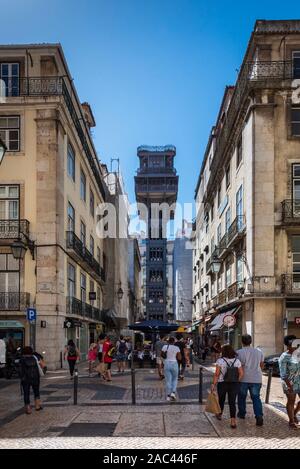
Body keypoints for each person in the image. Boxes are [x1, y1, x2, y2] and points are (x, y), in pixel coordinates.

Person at [211, 344, 243, 429]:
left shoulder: (220, 361)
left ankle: (220, 414)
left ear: (223, 352)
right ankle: (233, 421)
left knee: (221, 400)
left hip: (222, 383)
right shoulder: (237, 361)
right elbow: (241, 374)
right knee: (232, 402)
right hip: (234, 384)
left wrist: (213, 384)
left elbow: (217, 374)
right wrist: (237, 381)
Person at [237, 334, 264, 426]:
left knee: (241, 397)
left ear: (242, 342)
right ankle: (259, 416)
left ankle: (242, 414)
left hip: (243, 378)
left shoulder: (239, 352)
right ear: (251, 341)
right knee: (256, 398)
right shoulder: (259, 352)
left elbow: (238, 366)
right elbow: (261, 365)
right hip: (256, 378)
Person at [279, 335, 300, 429]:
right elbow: (283, 374)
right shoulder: (284, 357)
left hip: (299, 380)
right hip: (288, 381)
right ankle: (291, 421)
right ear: (288, 345)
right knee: (291, 400)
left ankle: (294, 413)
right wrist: (289, 385)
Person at [19, 346, 43, 414]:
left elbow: (20, 370)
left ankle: (28, 409)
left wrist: (21, 377)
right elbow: (43, 365)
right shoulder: (35, 357)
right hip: (35, 377)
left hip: (25, 379)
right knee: (36, 392)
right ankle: (37, 406)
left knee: (26, 393)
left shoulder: (22, 359)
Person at [161, 337, 181, 402]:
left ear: (168, 341)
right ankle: (173, 393)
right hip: (174, 363)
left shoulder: (164, 346)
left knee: (168, 380)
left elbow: (161, 354)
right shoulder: (176, 348)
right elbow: (179, 358)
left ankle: (168, 395)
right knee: (175, 379)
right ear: (174, 342)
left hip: (166, 363)